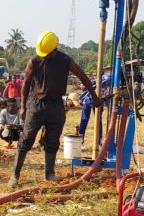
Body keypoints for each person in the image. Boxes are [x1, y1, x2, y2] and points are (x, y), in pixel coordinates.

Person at [8, 31, 101, 187]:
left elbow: (83, 77)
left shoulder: (65, 60)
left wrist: (95, 96)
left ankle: (49, 174)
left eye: (46, 53)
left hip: (56, 105)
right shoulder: (34, 61)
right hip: (36, 104)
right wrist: (23, 106)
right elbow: (26, 84)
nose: (43, 56)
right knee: (27, 138)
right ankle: (15, 175)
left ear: (54, 50)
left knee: (52, 140)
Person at [78, 69, 111, 147]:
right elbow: (83, 88)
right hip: (95, 101)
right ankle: (98, 142)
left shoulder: (102, 80)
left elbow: (84, 87)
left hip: (92, 101)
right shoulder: (106, 80)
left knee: (85, 120)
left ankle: (83, 141)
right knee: (93, 121)